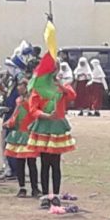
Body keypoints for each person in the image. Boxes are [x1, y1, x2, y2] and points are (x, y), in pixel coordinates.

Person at [25, 59, 77, 207]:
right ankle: (45, 195)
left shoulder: (61, 86)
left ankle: (55, 195)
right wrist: (47, 115)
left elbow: (72, 95)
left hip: (57, 128)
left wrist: (60, 86)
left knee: (55, 164)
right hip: (43, 127)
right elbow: (33, 108)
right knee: (45, 163)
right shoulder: (38, 88)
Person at [4, 77, 39, 198]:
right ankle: (24, 187)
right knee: (22, 162)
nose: (18, 88)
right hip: (20, 133)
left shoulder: (30, 100)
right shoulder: (19, 100)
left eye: (20, 85)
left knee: (30, 162)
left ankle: (33, 188)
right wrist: (10, 122)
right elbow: (16, 115)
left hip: (27, 133)